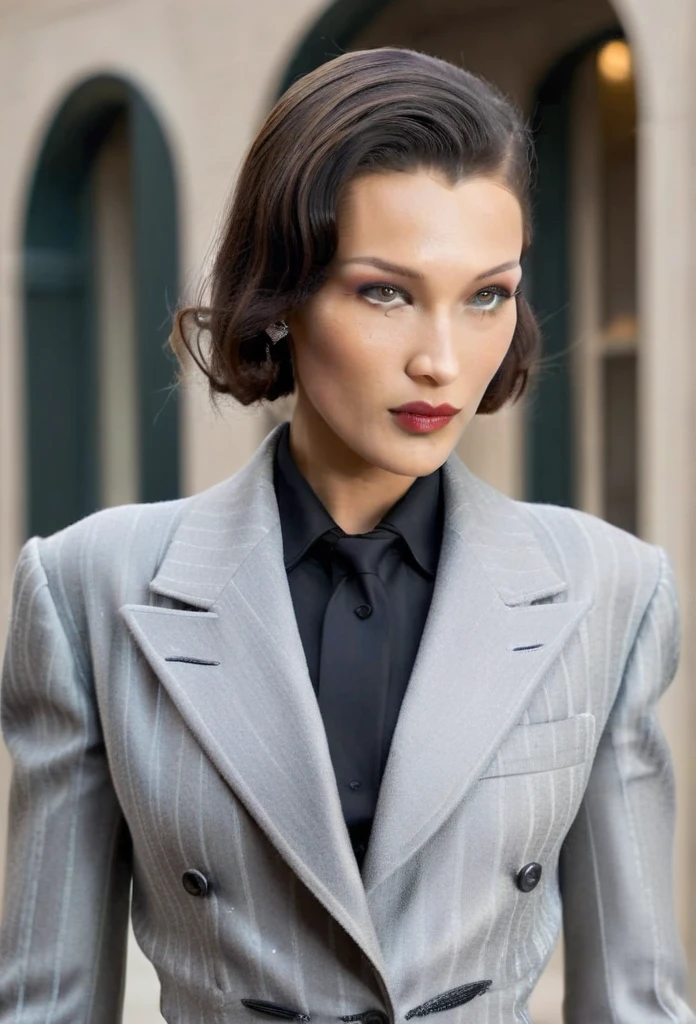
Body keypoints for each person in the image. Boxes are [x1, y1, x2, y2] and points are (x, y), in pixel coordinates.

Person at [0, 45, 692, 1024]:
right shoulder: (87, 589)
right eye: (385, 291)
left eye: (487, 294)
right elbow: (46, 1005)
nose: (442, 360)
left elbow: (635, 999)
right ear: (282, 296)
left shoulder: (611, 590)